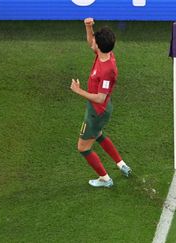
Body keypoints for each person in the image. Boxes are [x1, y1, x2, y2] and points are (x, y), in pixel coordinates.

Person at [70, 17, 131, 188]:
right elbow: (91, 42)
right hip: (102, 109)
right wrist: (89, 26)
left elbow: (100, 97)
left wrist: (78, 91)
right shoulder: (105, 55)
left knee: (83, 148)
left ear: (99, 45)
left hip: (97, 111)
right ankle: (121, 164)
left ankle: (105, 178)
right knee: (97, 135)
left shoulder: (107, 70)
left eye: (95, 40)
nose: (92, 42)